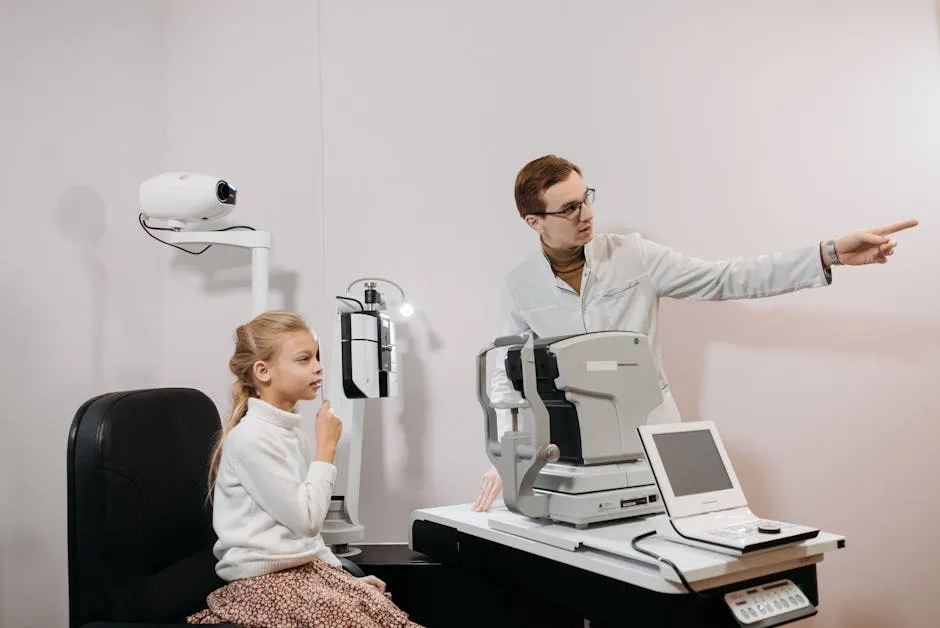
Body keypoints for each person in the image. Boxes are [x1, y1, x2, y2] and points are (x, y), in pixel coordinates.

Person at [473, 154, 918, 512]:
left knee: (676, 565)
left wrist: (829, 253)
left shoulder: (633, 255)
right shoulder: (518, 286)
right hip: (574, 450)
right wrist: (508, 458)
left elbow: (728, 277)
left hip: (655, 440)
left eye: (586, 198)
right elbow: (507, 377)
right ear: (535, 221)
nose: (586, 213)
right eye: (569, 208)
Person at [188, 310, 421, 627]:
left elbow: (305, 540)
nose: (319, 367)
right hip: (263, 585)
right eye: (304, 359)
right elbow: (307, 520)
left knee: (386, 614)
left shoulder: (291, 433)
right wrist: (327, 447)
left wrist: (340, 576)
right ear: (263, 371)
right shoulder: (251, 438)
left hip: (302, 571)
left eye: (317, 357)